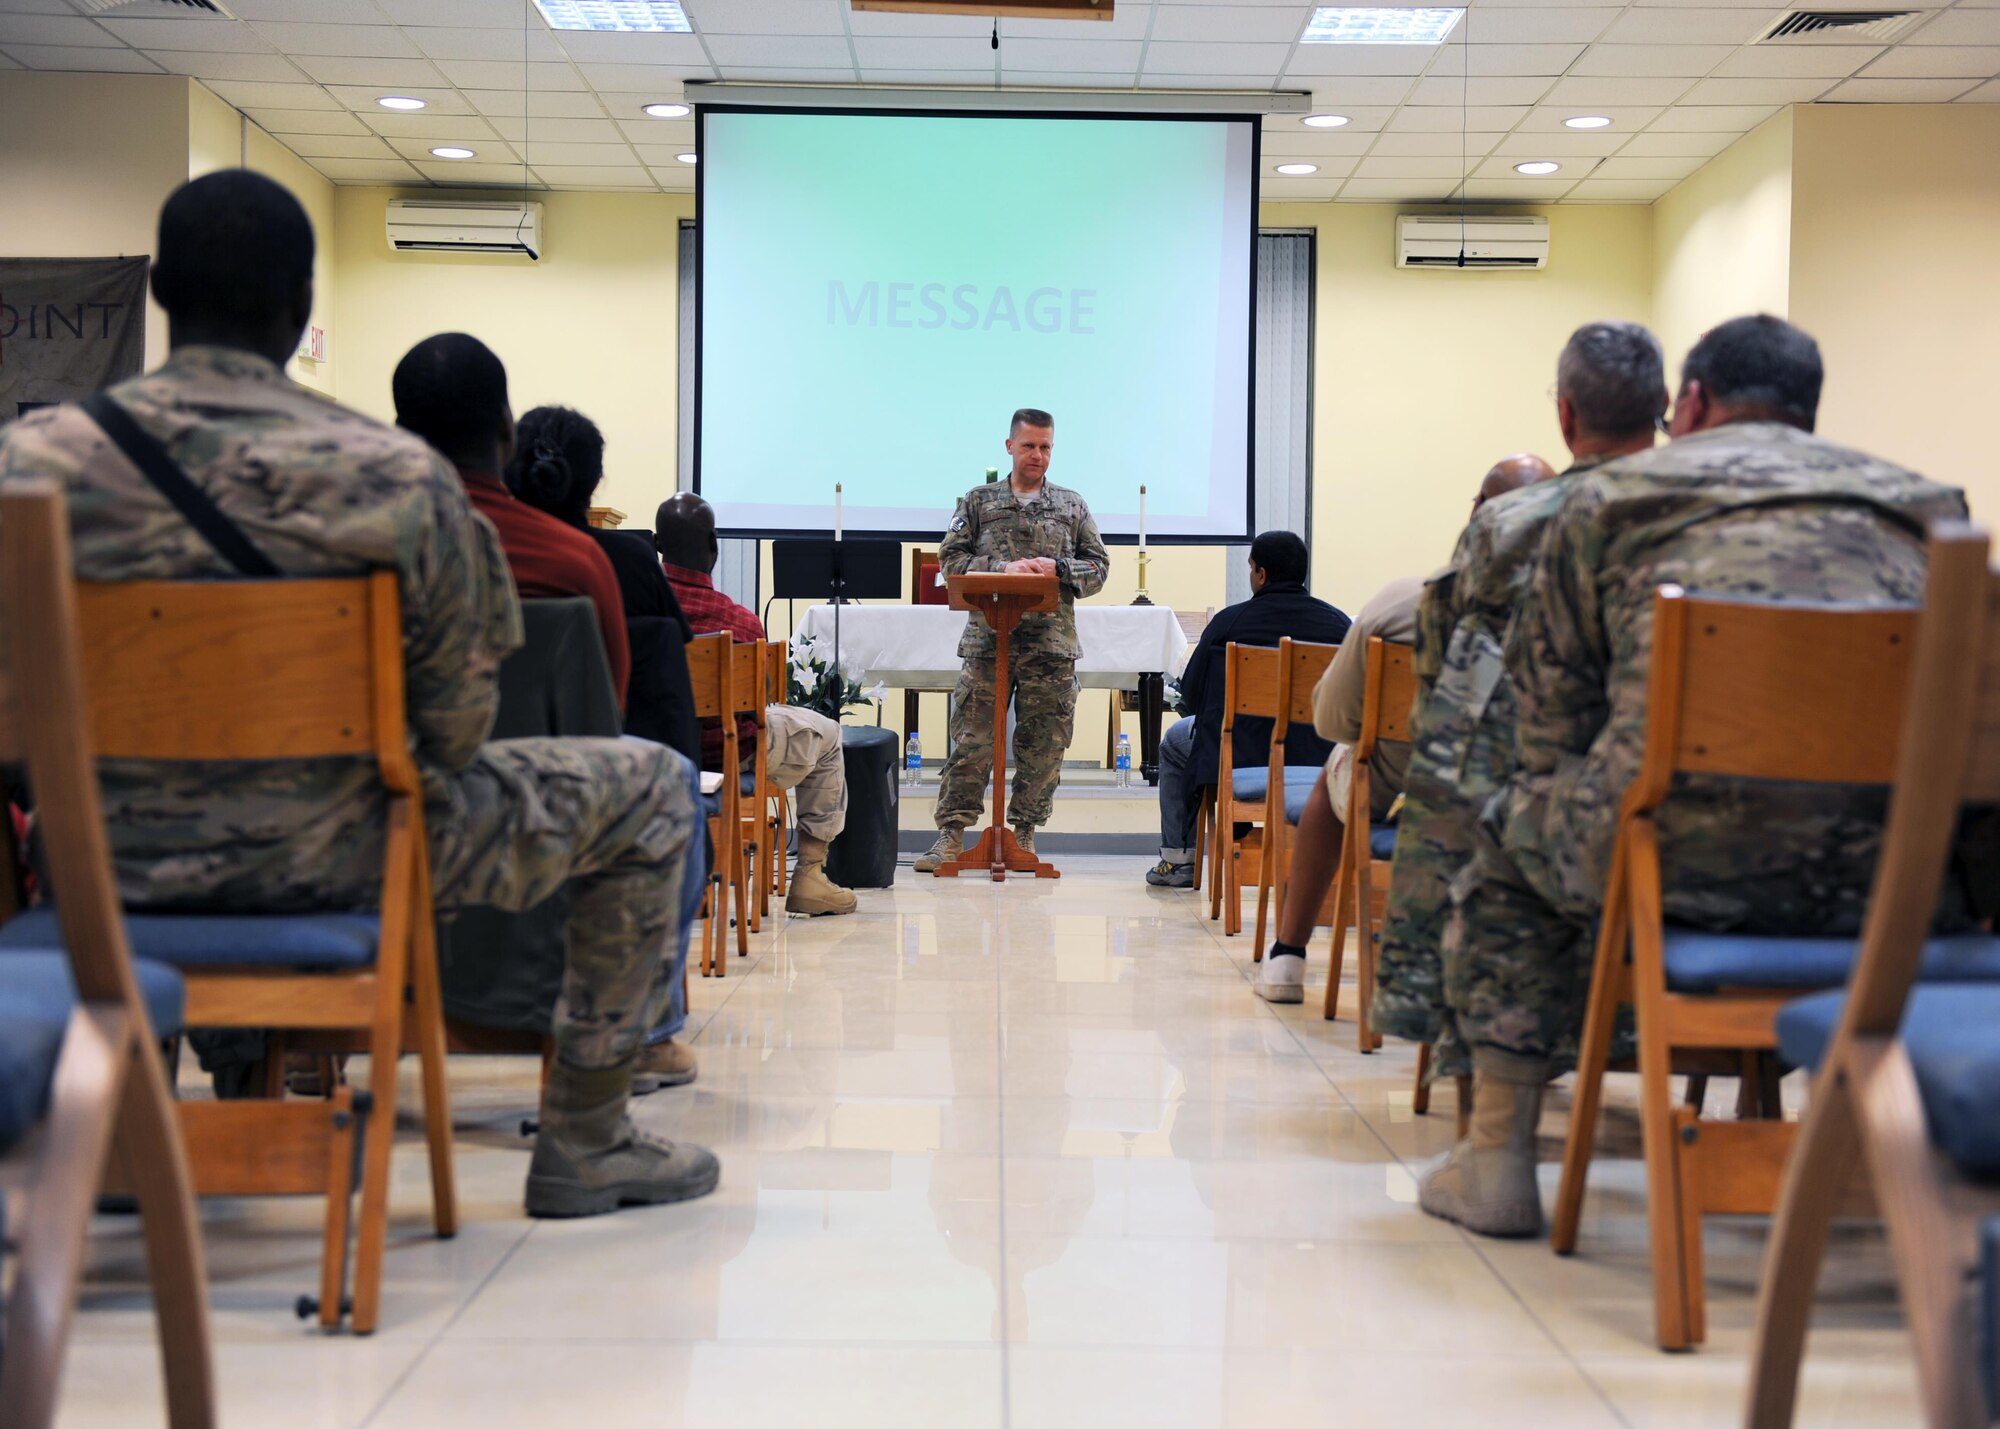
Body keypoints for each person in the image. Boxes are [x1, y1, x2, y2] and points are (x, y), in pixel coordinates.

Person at [0, 170, 716, 1217]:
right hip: (346, 856)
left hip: (101, 864)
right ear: (300, 307)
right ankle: (587, 1140)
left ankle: (132, 1110)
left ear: (159, 291)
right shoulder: (395, 479)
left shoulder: (31, 467)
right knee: (653, 787)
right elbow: (456, 725)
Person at [1421, 314, 1972, 1239]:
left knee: (1505, 829)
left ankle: (1498, 1160)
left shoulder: (1606, 503)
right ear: (1808, 411)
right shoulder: (1932, 509)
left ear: (1694, 401)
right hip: (1900, 882)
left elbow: (1553, 731)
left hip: (1672, 859)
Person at [1374, 323, 1668, 1066]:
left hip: (1544, 813)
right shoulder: (1707, 523)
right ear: (1665, 407)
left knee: (1461, 781)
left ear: (1566, 415)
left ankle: (1471, 1050)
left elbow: (1443, 681)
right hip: (1700, 814)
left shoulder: (1506, 525)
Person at [502, 403, 706, 1090]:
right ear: (592, 485)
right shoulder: (603, 557)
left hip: (434, 785)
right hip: (573, 786)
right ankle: (647, 1027)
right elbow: (619, 686)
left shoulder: (438, 545)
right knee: (673, 783)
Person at [390, 334, 631, 712]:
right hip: (548, 768)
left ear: (399, 435)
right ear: (507, 429)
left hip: (399, 767)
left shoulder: (361, 552)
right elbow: (608, 707)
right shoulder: (578, 561)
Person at [916, 408, 1110, 872]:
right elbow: (952, 561)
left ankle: (1023, 831)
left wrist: (1058, 569)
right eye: (1029, 446)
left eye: (1045, 447)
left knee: (1044, 745)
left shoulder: (1072, 505)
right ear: (1009, 447)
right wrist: (1002, 569)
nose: (1038, 455)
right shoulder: (978, 502)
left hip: (1050, 646)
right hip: (988, 641)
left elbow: (1098, 568)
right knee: (972, 741)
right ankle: (951, 835)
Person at [654, 491, 858, 917]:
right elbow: (759, 706)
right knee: (828, 735)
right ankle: (809, 877)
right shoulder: (739, 622)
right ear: (714, 545)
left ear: (656, 545)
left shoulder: (631, 612)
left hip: (651, 754)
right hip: (729, 756)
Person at [1147, 531, 1351, 890]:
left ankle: (1179, 860)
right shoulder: (1339, 625)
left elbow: (1191, 697)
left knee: (1173, 744)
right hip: (1320, 757)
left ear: (1260, 574)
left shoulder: (1230, 623)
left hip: (1239, 755)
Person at [506, 405, 701, 763]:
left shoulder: (478, 556)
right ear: (595, 481)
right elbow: (673, 662)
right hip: (612, 769)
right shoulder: (631, 560)